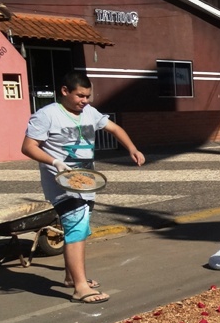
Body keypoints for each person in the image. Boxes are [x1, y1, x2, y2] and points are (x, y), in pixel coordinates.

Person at [21, 72, 145, 304]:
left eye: (88, 96)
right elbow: (28, 147)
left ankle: (70, 277)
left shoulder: (89, 112)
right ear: (65, 91)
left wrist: (132, 148)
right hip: (61, 183)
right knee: (77, 228)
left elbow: (115, 129)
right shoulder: (46, 115)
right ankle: (80, 287)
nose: (85, 101)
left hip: (86, 181)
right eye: (80, 95)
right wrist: (55, 162)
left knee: (80, 226)